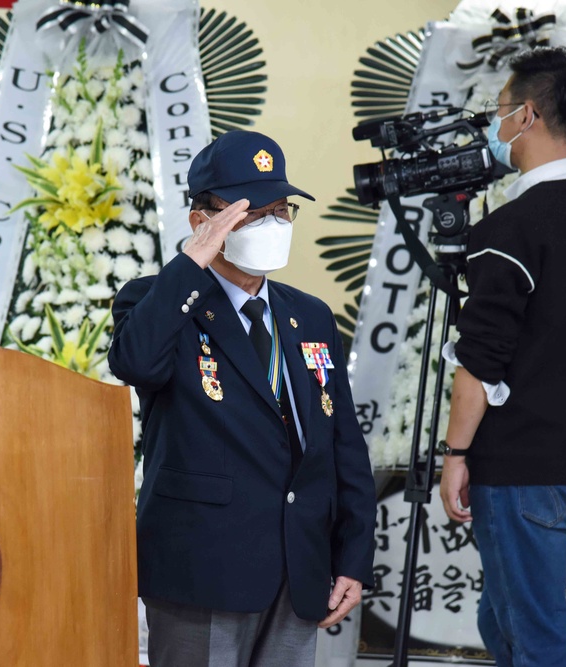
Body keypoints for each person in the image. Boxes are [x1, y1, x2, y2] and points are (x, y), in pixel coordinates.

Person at [108, 129, 376, 666]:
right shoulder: (161, 301)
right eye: (251, 213)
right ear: (203, 219)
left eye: (282, 210)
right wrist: (193, 261)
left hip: (299, 568)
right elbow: (134, 363)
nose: (272, 225)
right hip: (203, 570)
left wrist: (352, 557)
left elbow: (342, 445)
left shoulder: (310, 316)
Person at [438, 47, 566, 666]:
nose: (497, 124)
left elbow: (481, 359)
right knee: (505, 613)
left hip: (524, 461)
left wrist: (456, 455)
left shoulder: (510, 229)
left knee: (536, 634)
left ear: (526, 115)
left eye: (500, 110)